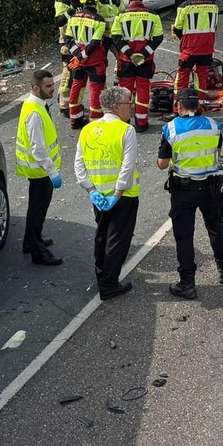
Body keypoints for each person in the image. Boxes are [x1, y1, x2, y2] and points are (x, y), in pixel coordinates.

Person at [157, 89, 223, 299]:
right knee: (216, 227)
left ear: (179, 106)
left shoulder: (171, 128)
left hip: (184, 190)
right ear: (198, 106)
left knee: (184, 237)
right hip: (211, 188)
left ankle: (187, 284)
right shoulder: (214, 126)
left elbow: (162, 164)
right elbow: (217, 154)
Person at [77, 85, 140, 299]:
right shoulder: (126, 130)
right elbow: (127, 166)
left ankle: (101, 276)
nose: (131, 107)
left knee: (102, 236)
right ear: (115, 106)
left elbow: (79, 165)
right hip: (122, 197)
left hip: (99, 197)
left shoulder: (87, 129)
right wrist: (119, 192)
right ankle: (110, 284)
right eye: (128, 103)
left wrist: (91, 190)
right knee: (118, 241)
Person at [15, 69, 65, 266]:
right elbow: (38, 148)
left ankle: (30, 241)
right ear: (36, 87)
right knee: (37, 210)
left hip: (39, 169)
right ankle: (38, 252)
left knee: (36, 209)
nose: (53, 89)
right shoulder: (35, 114)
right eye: (48, 86)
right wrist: (52, 172)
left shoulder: (34, 105)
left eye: (53, 84)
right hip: (40, 171)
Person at [110, 0, 165, 131]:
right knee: (143, 90)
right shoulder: (153, 16)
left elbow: (116, 38)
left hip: (126, 60)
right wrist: (142, 54)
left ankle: (124, 121)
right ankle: (141, 122)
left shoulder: (121, 16)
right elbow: (158, 38)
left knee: (124, 91)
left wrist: (130, 54)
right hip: (145, 60)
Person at [65, 0, 109, 127]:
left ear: (82, 1)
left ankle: (74, 119)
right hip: (94, 61)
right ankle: (95, 121)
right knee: (96, 89)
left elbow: (68, 38)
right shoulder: (99, 20)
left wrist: (77, 54)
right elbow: (95, 42)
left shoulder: (73, 18)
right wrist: (83, 55)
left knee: (77, 87)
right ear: (96, 2)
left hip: (78, 61)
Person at [173, 0, 218, 93]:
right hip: (207, 49)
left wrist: (186, 39)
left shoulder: (184, 7)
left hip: (189, 50)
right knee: (202, 79)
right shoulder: (213, 6)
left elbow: (177, 28)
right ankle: (201, 104)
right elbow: (214, 27)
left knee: (182, 78)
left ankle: (180, 105)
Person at [55, 0, 84, 109]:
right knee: (68, 75)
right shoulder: (63, 0)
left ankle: (76, 103)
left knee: (79, 75)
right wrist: (71, 10)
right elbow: (59, 21)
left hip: (80, 41)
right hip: (67, 43)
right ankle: (64, 105)